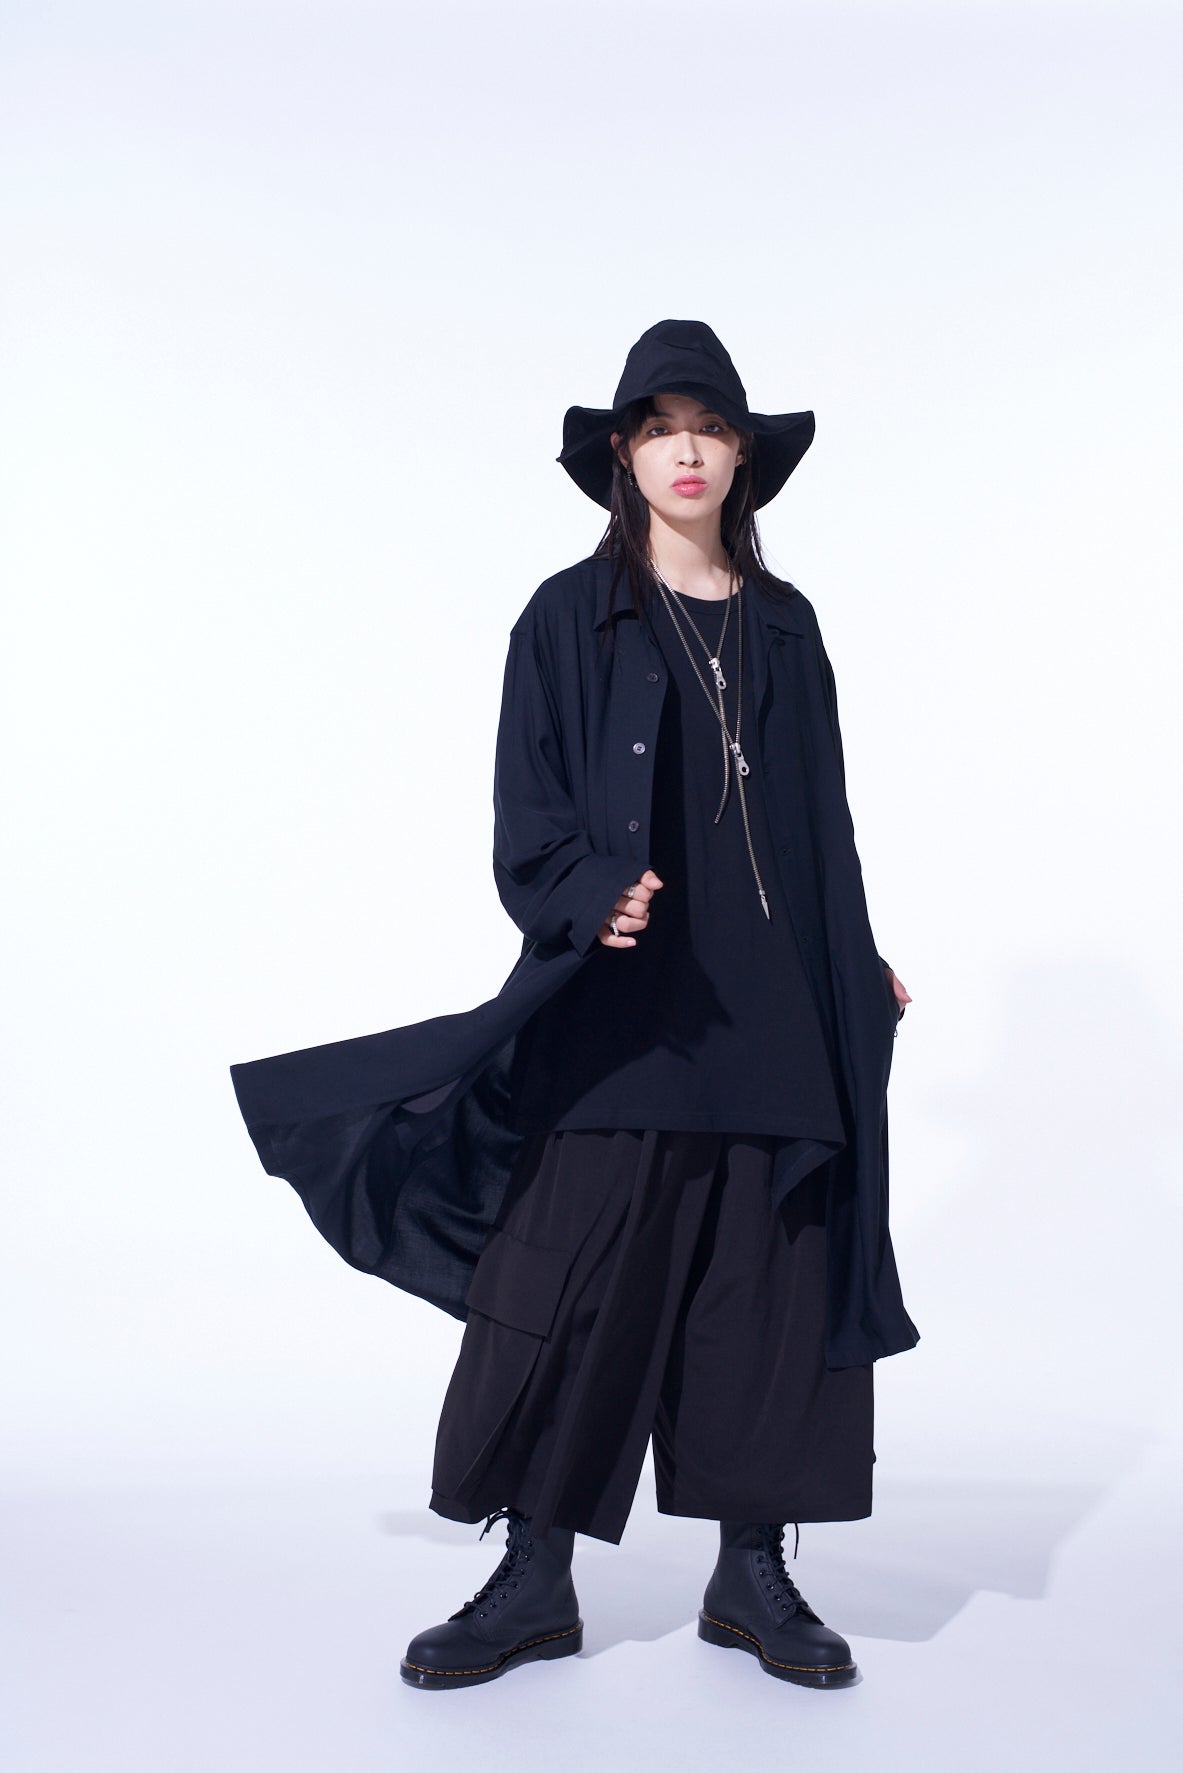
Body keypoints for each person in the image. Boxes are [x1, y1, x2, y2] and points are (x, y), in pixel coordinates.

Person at [229, 318, 918, 1695]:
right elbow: (526, 812)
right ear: (624, 454)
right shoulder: (566, 615)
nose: (686, 450)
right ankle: (534, 1574)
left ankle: (751, 1572)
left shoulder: (788, 624)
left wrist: (858, 956)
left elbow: (821, 824)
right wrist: (587, 891)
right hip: (628, 1008)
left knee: (765, 1289)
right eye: (660, 428)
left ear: (742, 456)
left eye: (708, 428)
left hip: (776, 1009)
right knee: (571, 1279)